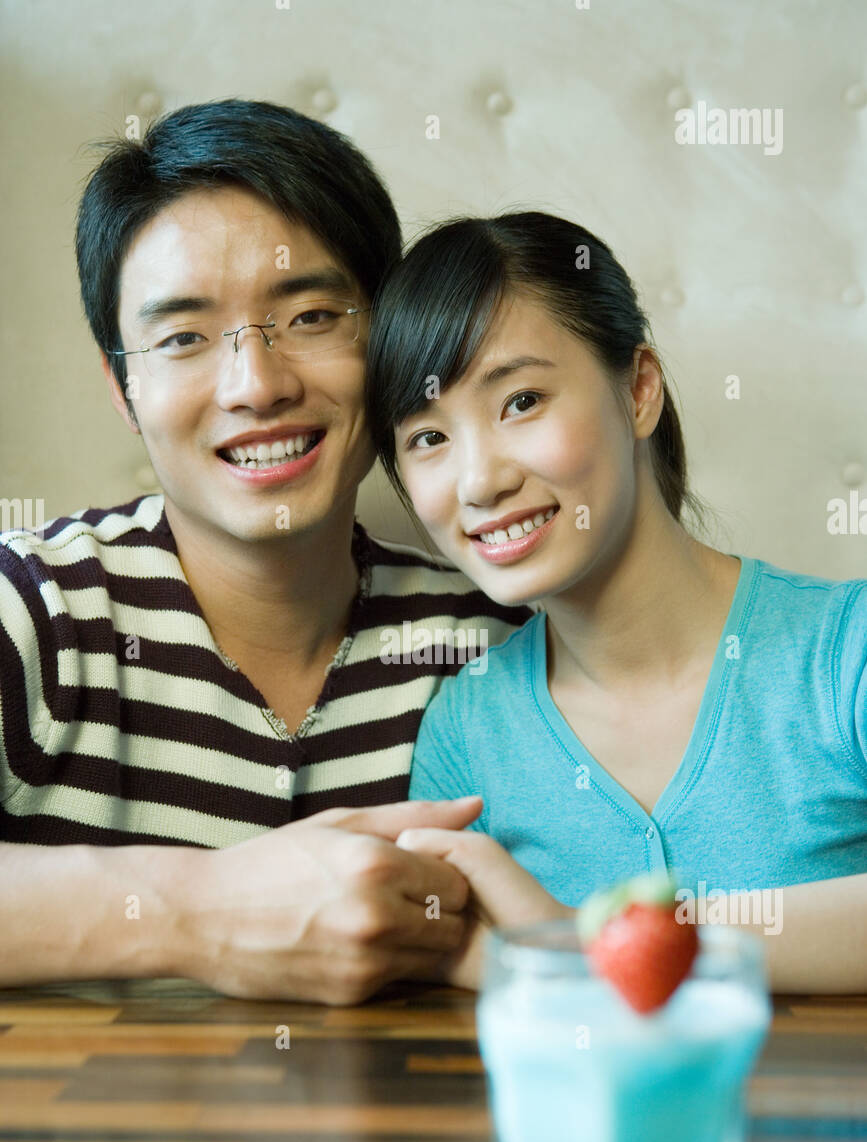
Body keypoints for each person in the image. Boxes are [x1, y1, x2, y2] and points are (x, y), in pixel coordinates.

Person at [0, 101, 534, 1002]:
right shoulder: (34, 610)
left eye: (314, 316)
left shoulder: (497, 638)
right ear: (124, 388)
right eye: (183, 339)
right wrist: (201, 912)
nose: (257, 384)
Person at [364, 211, 867, 993]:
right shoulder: (466, 733)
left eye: (521, 401)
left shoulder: (845, 654)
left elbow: (519, 957)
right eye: (427, 438)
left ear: (637, 390)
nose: (478, 481)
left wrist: (579, 944)